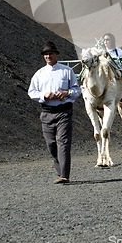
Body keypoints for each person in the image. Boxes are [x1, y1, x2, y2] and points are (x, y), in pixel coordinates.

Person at [28, 40, 81, 184]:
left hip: (64, 111)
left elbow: (77, 90)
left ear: (56, 54)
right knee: (51, 144)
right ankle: (60, 171)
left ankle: (64, 175)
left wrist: (67, 93)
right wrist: (44, 95)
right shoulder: (39, 74)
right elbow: (31, 92)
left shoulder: (67, 71)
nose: (48, 56)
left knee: (63, 142)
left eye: (50, 53)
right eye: (45, 54)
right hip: (47, 112)